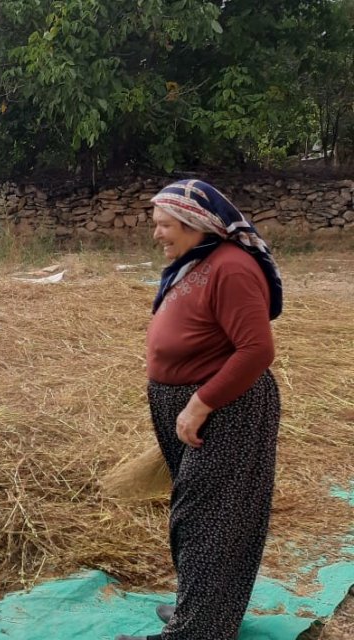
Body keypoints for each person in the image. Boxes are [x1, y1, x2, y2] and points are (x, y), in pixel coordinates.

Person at [117, 179, 284, 640]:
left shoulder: (231, 268)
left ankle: (198, 631)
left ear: (195, 224)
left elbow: (256, 350)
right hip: (193, 412)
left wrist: (199, 403)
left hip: (225, 411)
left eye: (164, 225)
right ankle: (202, 615)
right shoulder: (196, 261)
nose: (157, 234)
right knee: (201, 519)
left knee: (209, 520)